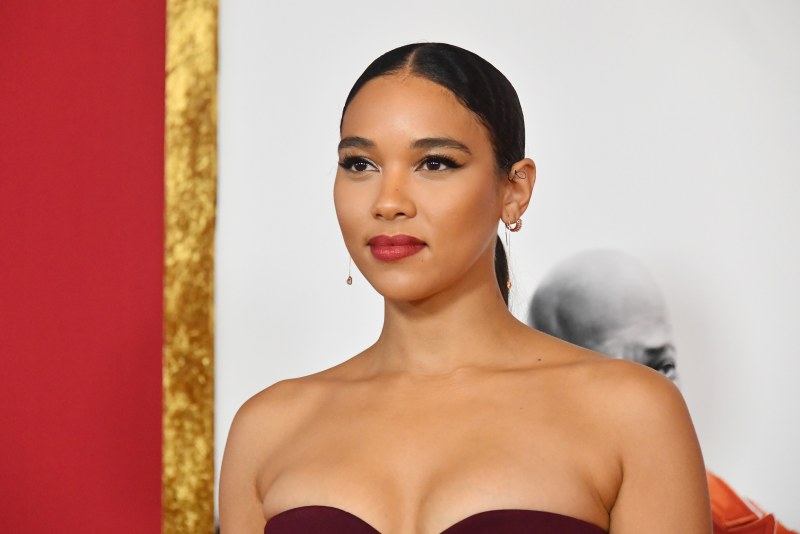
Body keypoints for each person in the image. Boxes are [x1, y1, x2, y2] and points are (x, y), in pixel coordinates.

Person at [220, 43, 711, 533]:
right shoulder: (267, 429)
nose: (388, 202)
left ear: (514, 190)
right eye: (360, 164)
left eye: (434, 163)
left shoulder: (632, 413)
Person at [528, 249, 796, 534]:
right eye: (608, 378)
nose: (648, 402)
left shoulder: (731, 520)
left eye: (662, 366)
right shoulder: (513, 505)